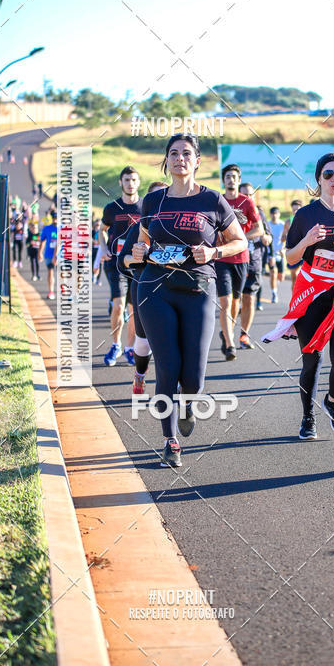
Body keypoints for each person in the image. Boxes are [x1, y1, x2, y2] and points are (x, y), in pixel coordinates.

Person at [128, 133, 247, 468]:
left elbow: (239, 242)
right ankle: (170, 440)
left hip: (198, 288)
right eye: (174, 153)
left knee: (193, 376)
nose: (180, 158)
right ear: (166, 161)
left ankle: (189, 401)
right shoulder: (153, 202)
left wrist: (214, 250)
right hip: (155, 288)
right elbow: (143, 242)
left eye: (187, 153)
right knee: (167, 366)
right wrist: (140, 251)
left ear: (197, 161)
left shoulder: (212, 201)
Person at [263, 153, 334, 440]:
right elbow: (291, 257)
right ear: (318, 179)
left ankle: (332, 401)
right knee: (312, 360)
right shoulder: (305, 214)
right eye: (328, 174)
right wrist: (307, 240)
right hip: (311, 292)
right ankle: (308, 417)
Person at [118, 181, 167, 395]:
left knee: (171, 339)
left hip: (172, 287)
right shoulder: (139, 226)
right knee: (143, 341)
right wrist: (137, 258)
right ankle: (140, 372)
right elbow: (122, 260)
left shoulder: (176, 226)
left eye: (162, 197)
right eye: (153, 199)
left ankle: (171, 383)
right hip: (143, 287)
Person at [215, 164, 263, 359]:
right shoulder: (217, 201)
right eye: (227, 177)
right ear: (223, 180)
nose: (231, 180)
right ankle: (230, 344)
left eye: (234, 177)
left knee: (236, 302)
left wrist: (241, 238)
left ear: (238, 179)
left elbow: (259, 229)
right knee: (225, 301)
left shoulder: (247, 202)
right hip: (222, 257)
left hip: (242, 258)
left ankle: (227, 332)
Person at [99, 167, 142, 367]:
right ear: (120, 182)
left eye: (133, 180)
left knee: (134, 310)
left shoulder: (145, 207)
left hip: (138, 265)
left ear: (138, 183)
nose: (130, 183)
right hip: (116, 263)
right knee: (118, 305)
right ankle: (115, 345)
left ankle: (129, 348)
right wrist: (102, 248)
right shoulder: (111, 208)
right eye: (126, 180)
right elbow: (102, 230)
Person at [239, 182, 272, 330]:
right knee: (232, 302)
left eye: (250, 194)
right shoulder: (232, 212)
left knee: (249, 299)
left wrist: (267, 239)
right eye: (244, 194)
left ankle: (244, 334)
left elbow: (268, 235)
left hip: (254, 261)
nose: (248, 197)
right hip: (235, 261)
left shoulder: (259, 213)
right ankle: (228, 336)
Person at [281, 199, 303, 288]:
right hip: (293, 251)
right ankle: (294, 298)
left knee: (302, 275)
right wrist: (287, 237)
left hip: (304, 252)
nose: (296, 211)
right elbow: (282, 238)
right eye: (294, 210)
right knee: (294, 276)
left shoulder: (306, 220)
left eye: (298, 209)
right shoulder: (288, 222)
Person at [38, 211, 58, 299]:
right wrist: (39, 253)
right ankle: (51, 291)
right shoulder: (47, 229)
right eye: (54, 218)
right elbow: (42, 241)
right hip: (49, 254)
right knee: (50, 272)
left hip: (61, 255)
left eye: (57, 218)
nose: (55, 220)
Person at [268, 206, 285, 303]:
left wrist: (283, 249)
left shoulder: (282, 225)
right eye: (273, 213)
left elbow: (287, 240)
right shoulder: (268, 225)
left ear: (279, 215)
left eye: (276, 214)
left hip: (280, 254)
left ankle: (275, 285)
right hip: (271, 254)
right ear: (270, 214)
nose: (274, 216)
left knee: (281, 277)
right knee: (273, 273)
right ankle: (274, 293)